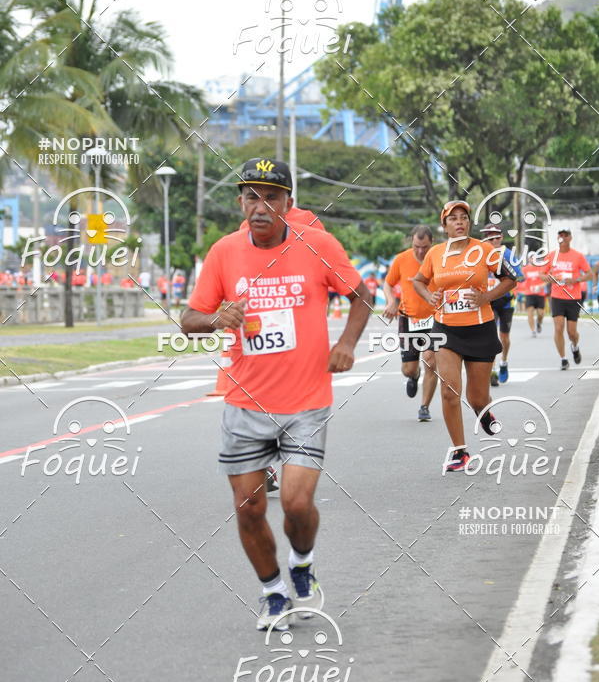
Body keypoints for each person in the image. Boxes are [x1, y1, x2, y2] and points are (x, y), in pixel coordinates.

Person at [181, 157, 370, 630]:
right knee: (248, 508)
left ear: (289, 203)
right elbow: (189, 320)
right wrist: (214, 319)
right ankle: (273, 593)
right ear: (240, 202)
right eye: (251, 196)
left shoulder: (318, 244)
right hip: (246, 403)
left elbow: (362, 295)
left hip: (307, 400)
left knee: (297, 503)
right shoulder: (224, 253)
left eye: (271, 197)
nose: (260, 206)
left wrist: (346, 344)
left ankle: (302, 561)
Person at [412, 201, 518, 472]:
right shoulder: (435, 253)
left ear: (469, 223)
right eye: (453, 219)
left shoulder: (484, 250)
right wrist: (430, 296)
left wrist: (486, 297)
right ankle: (460, 451)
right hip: (445, 329)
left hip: (480, 328)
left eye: (464, 218)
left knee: (477, 398)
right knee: (449, 391)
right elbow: (418, 281)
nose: (459, 222)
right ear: (445, 226)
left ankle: (483, 411)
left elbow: (510, 279)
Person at [383, 225, 438, 421]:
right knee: (409, 368)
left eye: (424, 247)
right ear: (411, 242)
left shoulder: (439, 258)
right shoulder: (401, 259)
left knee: (431, 361)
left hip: (435, 319)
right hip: (409, 318)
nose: (421, 251)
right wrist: (391, 302)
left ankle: (424, 406)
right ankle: (414, 376)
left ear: (432, 243)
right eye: (417, 246)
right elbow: (388, 283)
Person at [540, 229, 592, 369]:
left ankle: (574, 346)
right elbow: (542, 275)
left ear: (570, 238)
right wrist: (552, 278)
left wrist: (576, 279)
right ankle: (563, 359)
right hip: (557, 297)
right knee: (558, 327)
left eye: (565, 235)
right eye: (560, 235)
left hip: (573, 297)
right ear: (557, 238)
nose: (562, 237)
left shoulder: (578, 256)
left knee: (572, 332)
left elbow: (589, 274)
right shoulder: (551, 256)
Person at [480, 223, 523, 385]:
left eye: (496, 237)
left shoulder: (508, 254)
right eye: (490, 238)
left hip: (505, 301)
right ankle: (491, 371)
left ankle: (503, 362)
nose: (494, 240)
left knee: (504, 337)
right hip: (488, 301)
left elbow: (519, 277)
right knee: (490, 337)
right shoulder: (480, 254)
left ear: (502, 238)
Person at [522, 252, 547, 337]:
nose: (533, 259)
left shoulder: (541, 268)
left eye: (534, 257)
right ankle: (533, 331)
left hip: (540, 293)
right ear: (528, 259)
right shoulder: (525, 269)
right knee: (530, 312)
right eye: (531, 257)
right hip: (529, 293)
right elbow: (521, 279)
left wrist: (541, 286)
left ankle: (539, 323)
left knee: (541, 313)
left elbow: (547, 280)